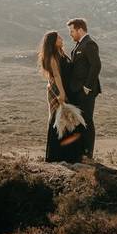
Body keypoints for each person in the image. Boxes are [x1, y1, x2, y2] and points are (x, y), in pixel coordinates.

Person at [37, 30, 84, 163]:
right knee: (57, 119)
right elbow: (57, 76)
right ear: (53, 41)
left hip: (65, 88)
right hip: (57, 89)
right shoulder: (52, 56)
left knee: (66, 120)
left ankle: (68, 155)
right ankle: (55, 155)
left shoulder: (60, 53)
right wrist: (62, 93)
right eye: (58, 37)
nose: (61, 38)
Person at [66, 18, 101, 160]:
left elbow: (96, 65)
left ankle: (88, 153)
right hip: (77, 91)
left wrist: (87, 86)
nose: (70, 34)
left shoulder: (89, 44)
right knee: (80, 121)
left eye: (72, 31)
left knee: (87, 120)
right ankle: (80, 152)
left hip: (86, 91)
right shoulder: (79, 45)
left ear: (80, 30)